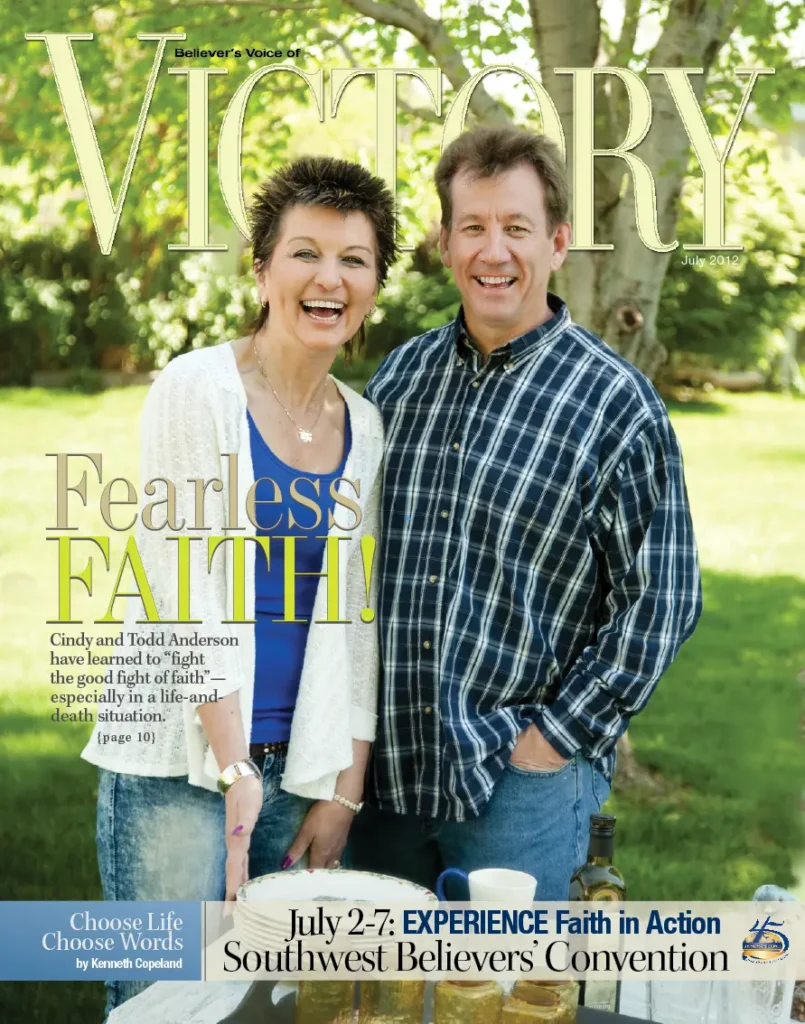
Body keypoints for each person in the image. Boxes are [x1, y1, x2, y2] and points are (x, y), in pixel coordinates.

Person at [349, 126, 702, 900]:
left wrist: (551, 743)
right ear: (444, 244)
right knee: (373, 1010)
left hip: (516, 788)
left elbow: (662, 598)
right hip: (385, 779)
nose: (493, 251)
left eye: (515, 228)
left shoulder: (614, 402)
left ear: (558, 242)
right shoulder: (400, 378)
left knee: (509, 1011)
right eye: (472, 227)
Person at [81, 155, 397, 1013]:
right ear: (261, 271)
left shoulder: (361, 426)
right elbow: (185, 592)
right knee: (167, 1004)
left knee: (265, 1006)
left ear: (374, 285)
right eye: (304, 253)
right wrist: (231, 772)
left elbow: (354, 622)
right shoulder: (196, 389)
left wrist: (341, 791)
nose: (328, 278)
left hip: (294, 766)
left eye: (354, 259)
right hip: (179, 770)